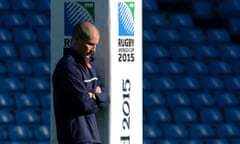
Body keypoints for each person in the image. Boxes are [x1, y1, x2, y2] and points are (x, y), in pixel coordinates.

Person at [52, 21, 110, 144]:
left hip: (92, 138)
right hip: (74, 139)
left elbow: (106, 97)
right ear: (77, 39)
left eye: (96, 45)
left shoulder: (89, 66)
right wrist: (95, 95)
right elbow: (84, 104)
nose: (94, 49)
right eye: (90, 44)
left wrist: (93, 95)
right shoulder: (67, 67)